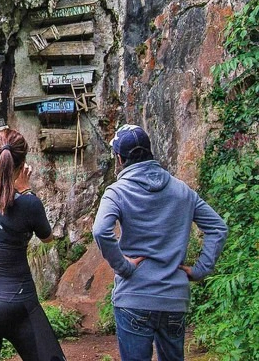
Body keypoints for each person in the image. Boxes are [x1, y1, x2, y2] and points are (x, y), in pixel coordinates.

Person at [93, 124, 228, 361]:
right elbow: (218, 228)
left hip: (134, 297)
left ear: (119, 158)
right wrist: (200, 270)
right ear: (149, 151)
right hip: (174, 299)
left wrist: (123, 267)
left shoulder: (117, 192)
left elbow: (101, 231)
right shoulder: (182, 191)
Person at [0, 128, 66, 361]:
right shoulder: (29, 204)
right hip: (15, 303)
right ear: (23, 165)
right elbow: (47, 239)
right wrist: (26, 190)